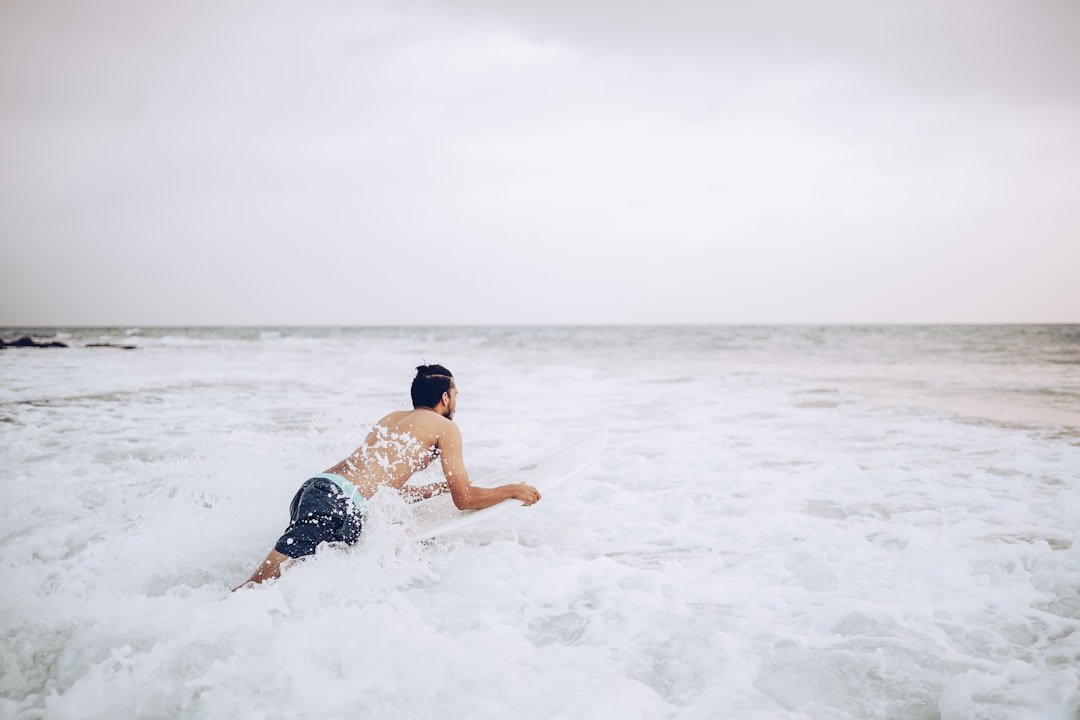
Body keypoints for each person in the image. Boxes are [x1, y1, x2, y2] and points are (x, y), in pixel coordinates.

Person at [235, 365, 541, 588]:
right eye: (456, 395)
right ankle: (214, 611)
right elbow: (465, 499)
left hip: (315, 491)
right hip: (338, 503)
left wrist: (431, 490)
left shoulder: (393, 419)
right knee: (254, 587)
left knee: (291, 584)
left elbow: (377, 488)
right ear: (445, 398)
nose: (456, 402)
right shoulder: (445, 426)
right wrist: (512, 490)